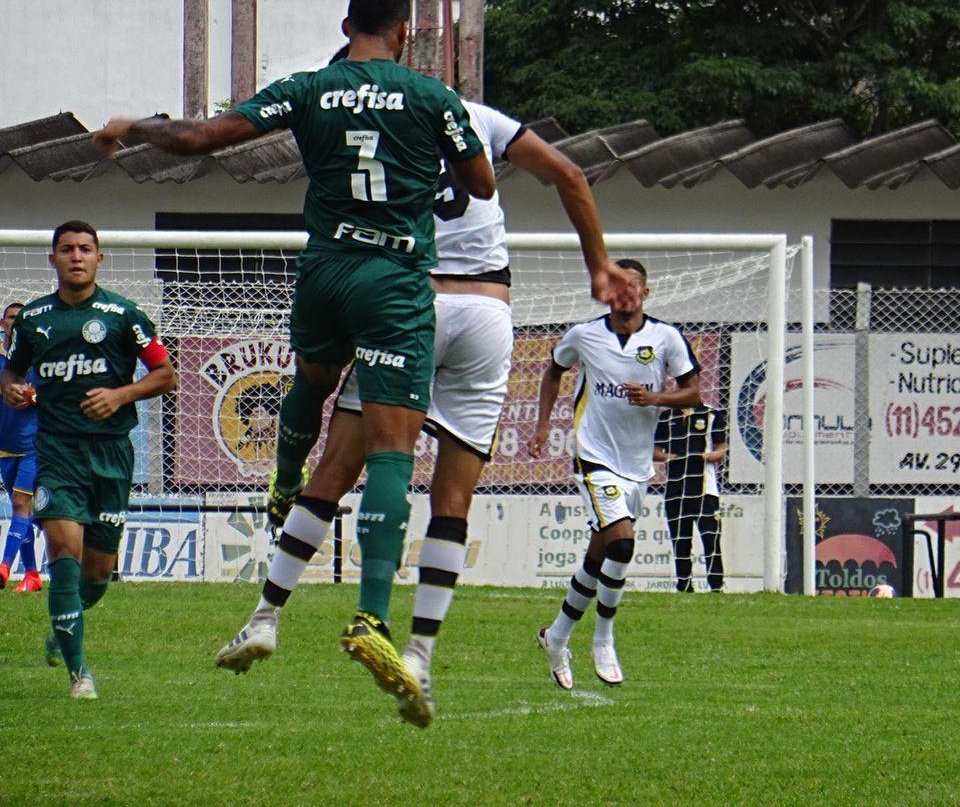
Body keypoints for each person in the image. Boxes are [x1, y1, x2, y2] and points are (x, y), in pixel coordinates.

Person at [93, 0, 494, 713]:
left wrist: (130, 123)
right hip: (393, 281)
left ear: (348, 25)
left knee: (312, 376)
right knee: (390, 447)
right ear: (404, 30)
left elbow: (198, 139)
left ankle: (282, 483)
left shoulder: (307, 87)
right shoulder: (433, 97)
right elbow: (483, 184)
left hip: (323, 272)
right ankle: (373, 616)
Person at [214, 91, 638, 727]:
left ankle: (266, 617)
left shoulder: (375, 114)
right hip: (487, 315)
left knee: (334, 474)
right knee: (453, 503)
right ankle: (419, 657)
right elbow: (569, 174)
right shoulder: (481, 119)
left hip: (410, 304)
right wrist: (598, 263)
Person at [0, 221, 177, 700]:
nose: (76, 256)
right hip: (56, 451)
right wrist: (12, 389)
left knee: (97, 576)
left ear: (100, 259)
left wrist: (120, 394)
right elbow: (12, 371)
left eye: (85, 249)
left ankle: (62, 628)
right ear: (52, 260)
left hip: (112, 455)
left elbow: (166, 375)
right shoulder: (34, 319)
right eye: (66, 249)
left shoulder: (125, 316)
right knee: (64, 555)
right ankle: (81, 675)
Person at [529, 260, 700, 689]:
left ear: (645, 293)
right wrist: (544, 425)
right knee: (622, 542)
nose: (625, 294)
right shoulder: (585, 335)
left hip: (637, 466)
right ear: (607, 294)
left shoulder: (665, 338)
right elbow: (553, 370)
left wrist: (656, 397)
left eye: (633, 286)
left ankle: (557, 635)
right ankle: (603, 639)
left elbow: (694, 392)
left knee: (599, 554)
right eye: (617, 286)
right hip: (594, 456)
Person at [654, 403, 727, 592]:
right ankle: (684, 585)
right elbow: (655, 451)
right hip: (675, 490)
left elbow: (721, 451)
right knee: (681, 541)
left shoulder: (711, 414)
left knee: (711, 540)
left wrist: (706, 456)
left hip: (705, 490)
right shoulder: (667, 416)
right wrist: (671, 457)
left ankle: (716, 587)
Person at [0, 301, 41, 592]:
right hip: (4, 446)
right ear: (3, 324)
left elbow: (54, 392)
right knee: (24, 510)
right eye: (11, 318)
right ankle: (32, 576)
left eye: (20, 318)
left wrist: (34, 396)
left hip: (33, 444)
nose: (15, 322)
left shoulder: (37, 357)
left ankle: (3, 568)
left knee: (19, 502)